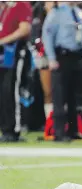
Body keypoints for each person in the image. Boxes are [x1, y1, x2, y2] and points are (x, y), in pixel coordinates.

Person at [42, 2, 82, 142]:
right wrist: (51, 58)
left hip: (77, 57)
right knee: (59, 96)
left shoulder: (78, 12)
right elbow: (47, 35)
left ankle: (73, 130)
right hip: (62, 57)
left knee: (74, 97)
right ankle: (59, 132)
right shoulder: (56, 13)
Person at [0, 1, 32, 142]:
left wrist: (3, 40)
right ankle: (6, 129)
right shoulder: (5, 7)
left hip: (15, 51)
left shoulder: (21, 4)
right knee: (3, 92)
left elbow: (24, 29)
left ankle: (14, 129)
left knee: (11, 90)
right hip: (3, 55)